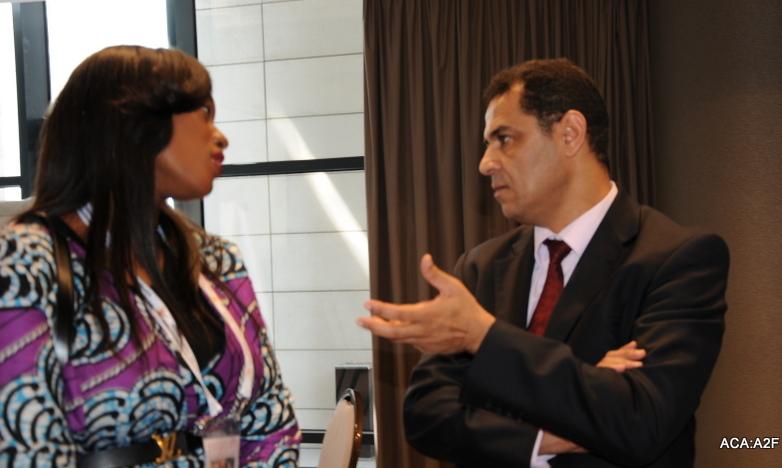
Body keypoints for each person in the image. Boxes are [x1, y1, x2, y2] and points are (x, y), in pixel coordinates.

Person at [358, 58, 729, 467]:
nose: (485, 163)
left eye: (504, 138)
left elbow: (639, 420)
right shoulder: (480, 267)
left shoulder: (678, 260)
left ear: (570, 133)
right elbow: (427, 414)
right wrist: (549, 430)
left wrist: (485, 337)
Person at [0, 46, 300, 466]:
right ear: (137, 126)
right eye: (205, 115)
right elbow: (25, 450)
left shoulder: (216, 261)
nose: (220, 136)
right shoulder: (29, 263)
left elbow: (271, 422)